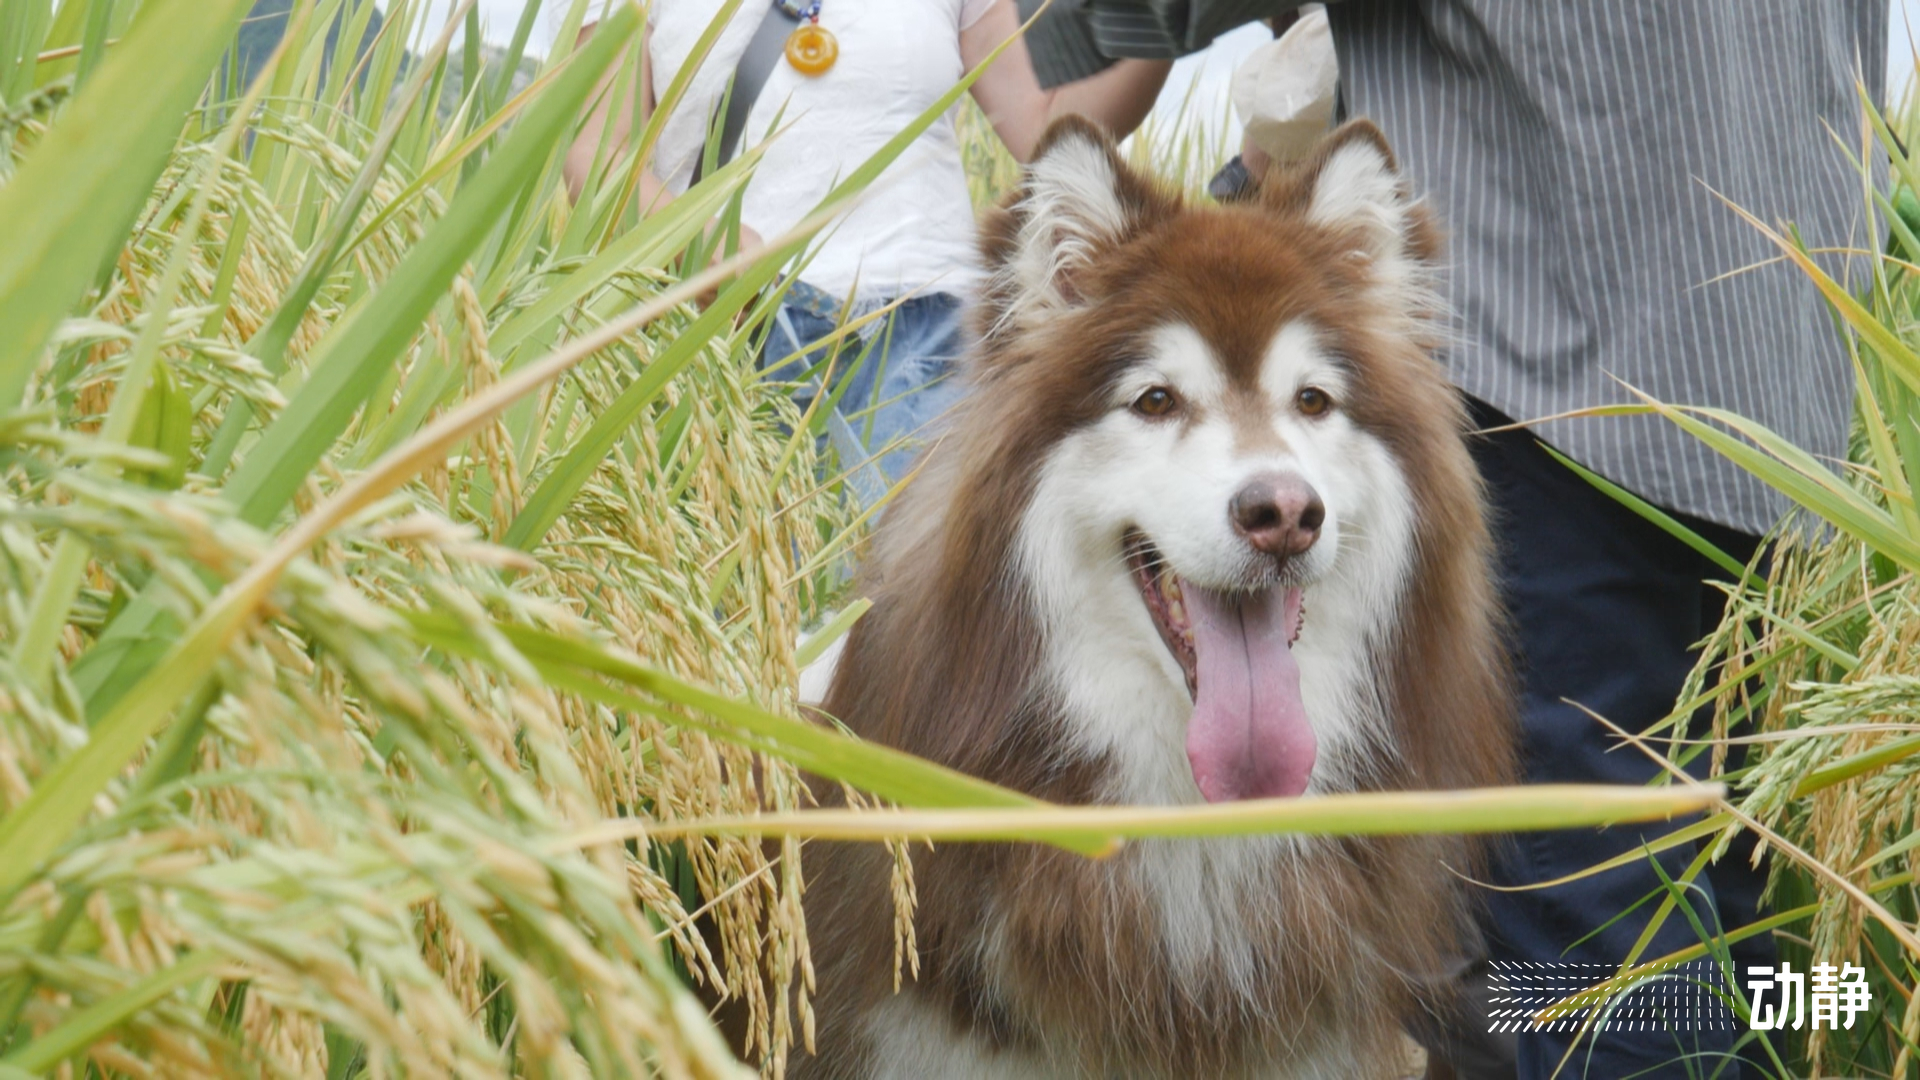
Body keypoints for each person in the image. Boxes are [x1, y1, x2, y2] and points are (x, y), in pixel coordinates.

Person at [1019, 2, 1885, 1078]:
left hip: (1561, 368)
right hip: (1783, 387)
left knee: (1596, 923)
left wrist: (1048, 36)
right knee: (1715, 899)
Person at [567, 1, 1169, 502]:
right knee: (744, 613)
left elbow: (1043, 127)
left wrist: (1174, 20)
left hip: (930, 336)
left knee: (910, 620)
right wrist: (693, 236)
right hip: (729, 331)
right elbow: (594, 153)